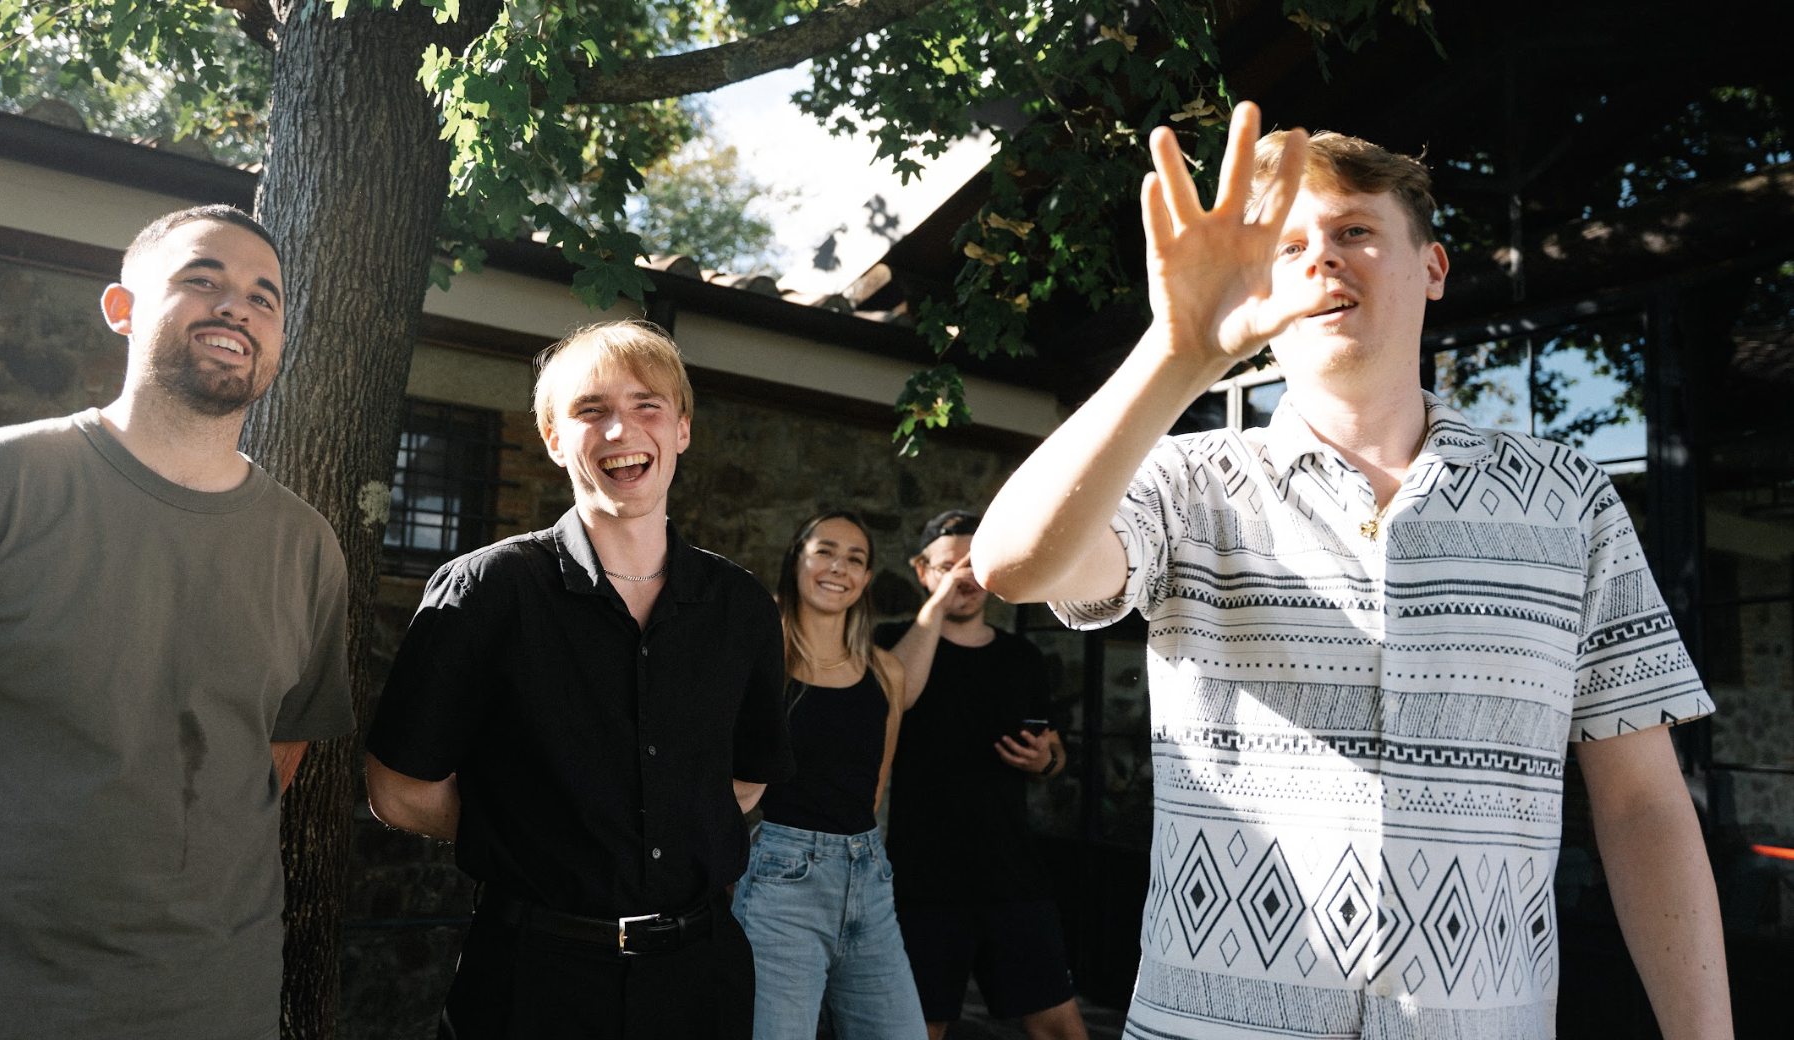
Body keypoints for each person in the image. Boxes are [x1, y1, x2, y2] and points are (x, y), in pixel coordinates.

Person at [969, 101, 1732, 1039]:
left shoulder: (1569, 499)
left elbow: (1644, 802)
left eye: (1355, 231)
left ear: (1433, 267)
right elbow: (1011, 566)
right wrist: (1176, 355)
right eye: (1288, 247)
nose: (1322, 260)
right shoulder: (1182, 483)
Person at [0, 205, 353, 1039]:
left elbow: (269, 764)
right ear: (122, 309)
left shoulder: (306, 548)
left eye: (263, 297)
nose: (236, 307)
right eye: (202, 279)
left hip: (208, 1011)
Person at [363, 320, 795, 1040]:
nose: (622, 429)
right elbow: (399, 789)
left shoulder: (740, 606)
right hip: (534, 980)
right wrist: (537, 837)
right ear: (554, 439)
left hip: (702, 979)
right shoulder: (487, 591)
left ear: (683, 428)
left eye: (648, 404)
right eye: (592, 410)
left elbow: (747, 779)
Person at [874, 511, 1087, 1040]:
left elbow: (1054, 753)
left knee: (1059, 1025)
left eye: (973, 564)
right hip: (924, 878)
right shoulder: (894, 641)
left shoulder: (1022, 657)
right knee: (918, 1028)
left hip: (1012, 874)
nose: (964, 577)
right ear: (922, 571)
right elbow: (895, 698)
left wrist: (1045, 762)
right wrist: (937, 606)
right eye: (949, 566)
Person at [733, 511, 922, 1040]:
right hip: (780, 882)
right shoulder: (759, 660)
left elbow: (874, 787)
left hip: (869, 877)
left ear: (866, 578)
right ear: (796, 559)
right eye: (825, 551)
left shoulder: (886, 672)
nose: (839, 567)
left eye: (855, 559)